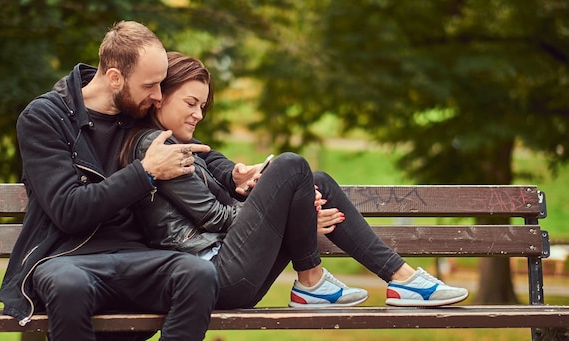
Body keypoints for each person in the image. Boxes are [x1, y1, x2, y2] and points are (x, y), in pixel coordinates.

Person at [120, 52, 469, 310]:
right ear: (159, 97)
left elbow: (220, 169)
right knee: (290, 165)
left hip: (227, 269)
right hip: (212, 276)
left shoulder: (180, 145)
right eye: (191, 103)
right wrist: (294, 217)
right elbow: (217, 218)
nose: (198, 114)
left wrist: (290, 212)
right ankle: (315, 281)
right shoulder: (156, 148)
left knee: (318, 181)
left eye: (203, 106)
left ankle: (399, 278)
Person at [0, 22, 220, 341]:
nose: (158, 96)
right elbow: (68, 210)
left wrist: (233, 171)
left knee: (197, 274)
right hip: (64, 257)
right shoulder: (45, 117)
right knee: (66, 284)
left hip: (136, 255)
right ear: (115, 77)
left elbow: (195, 150)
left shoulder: (138, 110)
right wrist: (145, 173)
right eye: (151, 85)